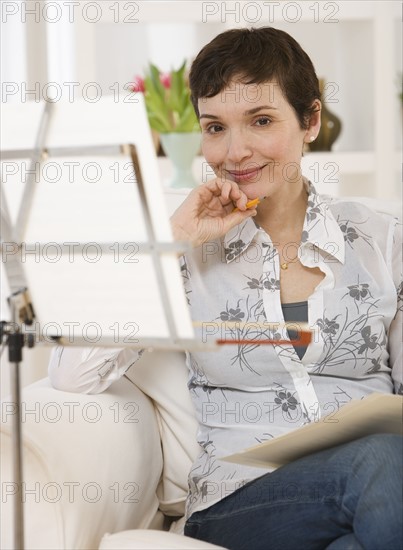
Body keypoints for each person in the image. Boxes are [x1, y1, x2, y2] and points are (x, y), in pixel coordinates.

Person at [49, 27, 402, 550]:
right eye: (215, 127)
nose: (235, 151)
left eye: (261, 120)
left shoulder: (383, 240)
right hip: (242, 502)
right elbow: (70, 376)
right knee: (383, 461)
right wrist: (173, 241)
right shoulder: (186, 254)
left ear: (311, 121)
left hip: (375, 493)